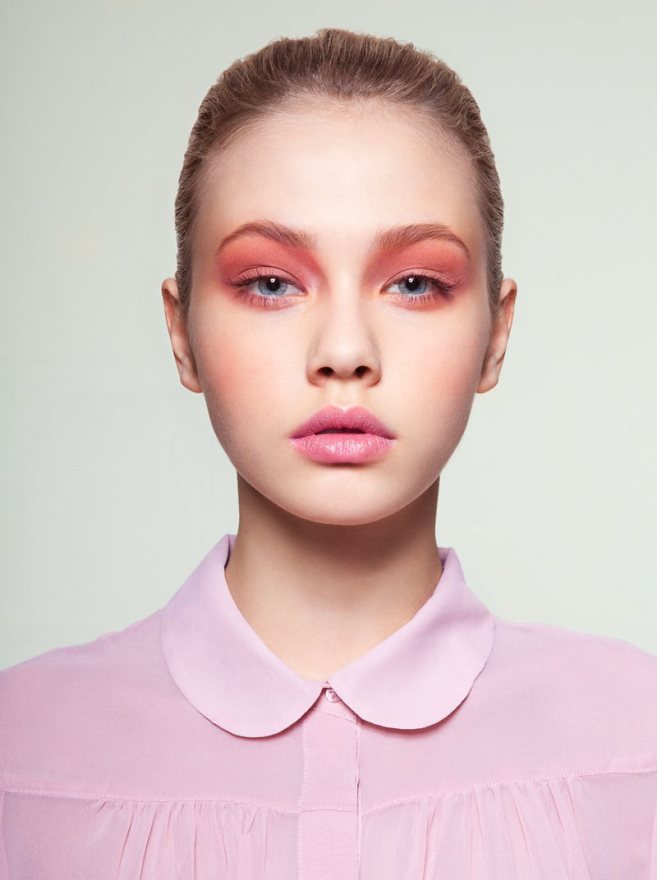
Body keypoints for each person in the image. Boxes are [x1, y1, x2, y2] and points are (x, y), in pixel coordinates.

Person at [1, 26, 656, 879]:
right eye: (270, 283)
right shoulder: (23, 750)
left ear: (495, 336)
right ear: (181, 332)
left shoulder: (635, 745)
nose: (344, 350)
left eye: (413, 283)